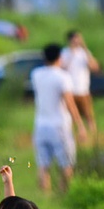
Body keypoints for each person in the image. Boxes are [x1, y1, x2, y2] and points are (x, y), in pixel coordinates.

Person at [30, 43, 88, 194]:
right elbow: (70, 103)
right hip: (59, 126)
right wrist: (81, 126)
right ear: (59, 57)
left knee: (43, 165)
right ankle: (64, 192)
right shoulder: (63, 77)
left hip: (40, 125)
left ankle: (45, 196)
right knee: (66, 164)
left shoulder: (36, 74)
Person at [60, 30, 100, 135]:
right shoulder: (64, 53)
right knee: (70, 117)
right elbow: (62, 67)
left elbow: (94, 67)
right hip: (70, 91)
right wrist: (72, 53)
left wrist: (85, 48)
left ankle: (93, 137)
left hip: (83, 90)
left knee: (89, 116)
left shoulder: (84, 53)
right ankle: (72, 136)